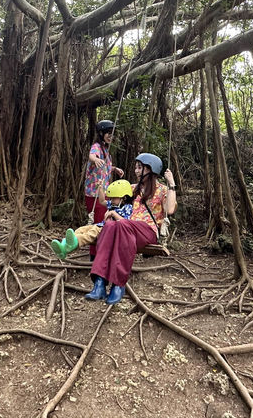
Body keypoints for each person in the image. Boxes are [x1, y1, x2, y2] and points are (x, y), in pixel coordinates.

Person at [85, 153, 177, 305]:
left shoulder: (161, 190)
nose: (136, 171)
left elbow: (170, 208)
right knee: (109, 225)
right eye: (136, 167)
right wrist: (102, 185)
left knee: (120, 224)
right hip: (125, 229)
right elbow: (107, 201)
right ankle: (99, 283)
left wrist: (171, 183)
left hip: (147, 231)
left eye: (140, 167)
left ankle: (118, 284)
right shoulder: (132, 189)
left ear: (151, 169)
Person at [50, 180, 134, 259]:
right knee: (81, 229)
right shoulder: (112, 204)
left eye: (114, 198)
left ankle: (74, 243)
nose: (111, 200)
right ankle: (63, 248)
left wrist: (113, 213)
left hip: (110, 229)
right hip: (101, 225)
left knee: (91, 233)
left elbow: (125, 222)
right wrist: (100, 189)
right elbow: (102, 201)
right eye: (111, 198)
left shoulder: (128, 207)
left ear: (124, 198)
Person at [84, 120, 124, 258]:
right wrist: (94, 159)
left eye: (112, 134)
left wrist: (115, 169)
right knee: (97, 223)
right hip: (93, 193)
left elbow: (105, 166)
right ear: (101, 133)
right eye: (108, 133)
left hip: (104, 192)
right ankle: (94, 255)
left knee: (104, 222)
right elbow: (91, 156)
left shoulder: (107, 151)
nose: (110, 136)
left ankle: (101, 252)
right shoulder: (96, 147)